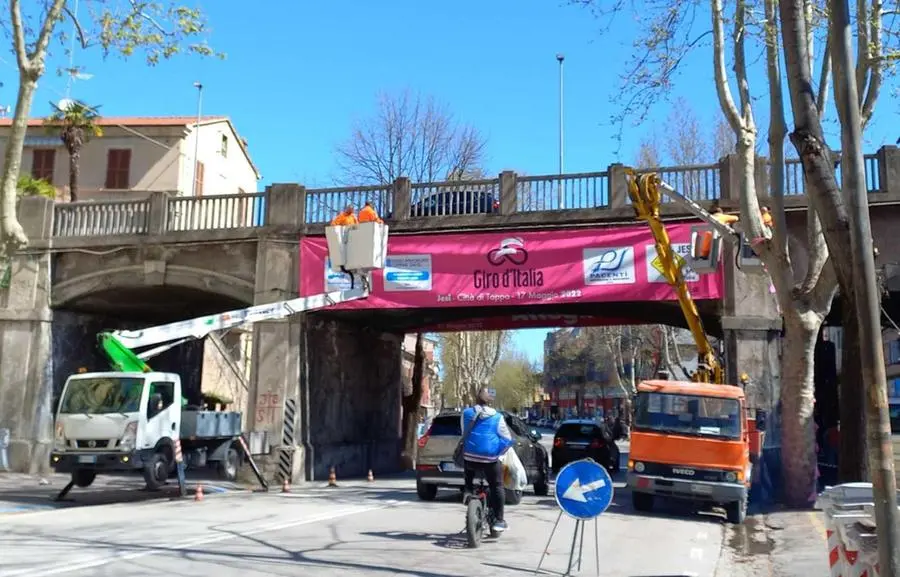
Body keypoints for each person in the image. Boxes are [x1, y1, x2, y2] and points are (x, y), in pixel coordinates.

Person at [460, 387, 514, 532]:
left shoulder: (466, 414)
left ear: (475, 399)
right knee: (497, 486)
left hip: (470, 457)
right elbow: (507, 439)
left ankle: (468, 489)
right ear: (490, 401)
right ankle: (499, 520)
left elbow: (463, 433)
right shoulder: (497, 417)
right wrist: (498, 453)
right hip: (490, 459)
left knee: (468, 464)